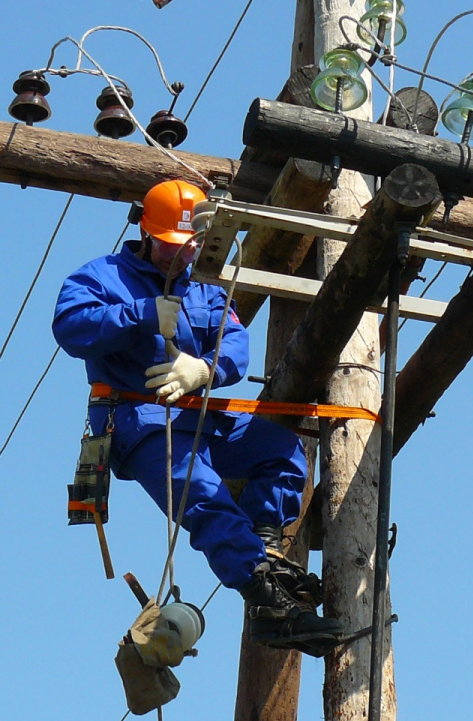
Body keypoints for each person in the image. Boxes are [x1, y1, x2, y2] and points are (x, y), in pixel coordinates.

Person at [52, 179, 342, 655]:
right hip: (142, 421)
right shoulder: (103, 276)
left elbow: (235, 343)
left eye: (189, 247)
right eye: (171, 247)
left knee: (284, 451)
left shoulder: (203, 288)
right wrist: (141, 314)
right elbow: (69, 326)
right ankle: (266, 602)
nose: (181, 257)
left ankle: (265, 547)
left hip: (204, 417)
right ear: (145, 233)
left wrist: (204, 368)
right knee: (204, 499)